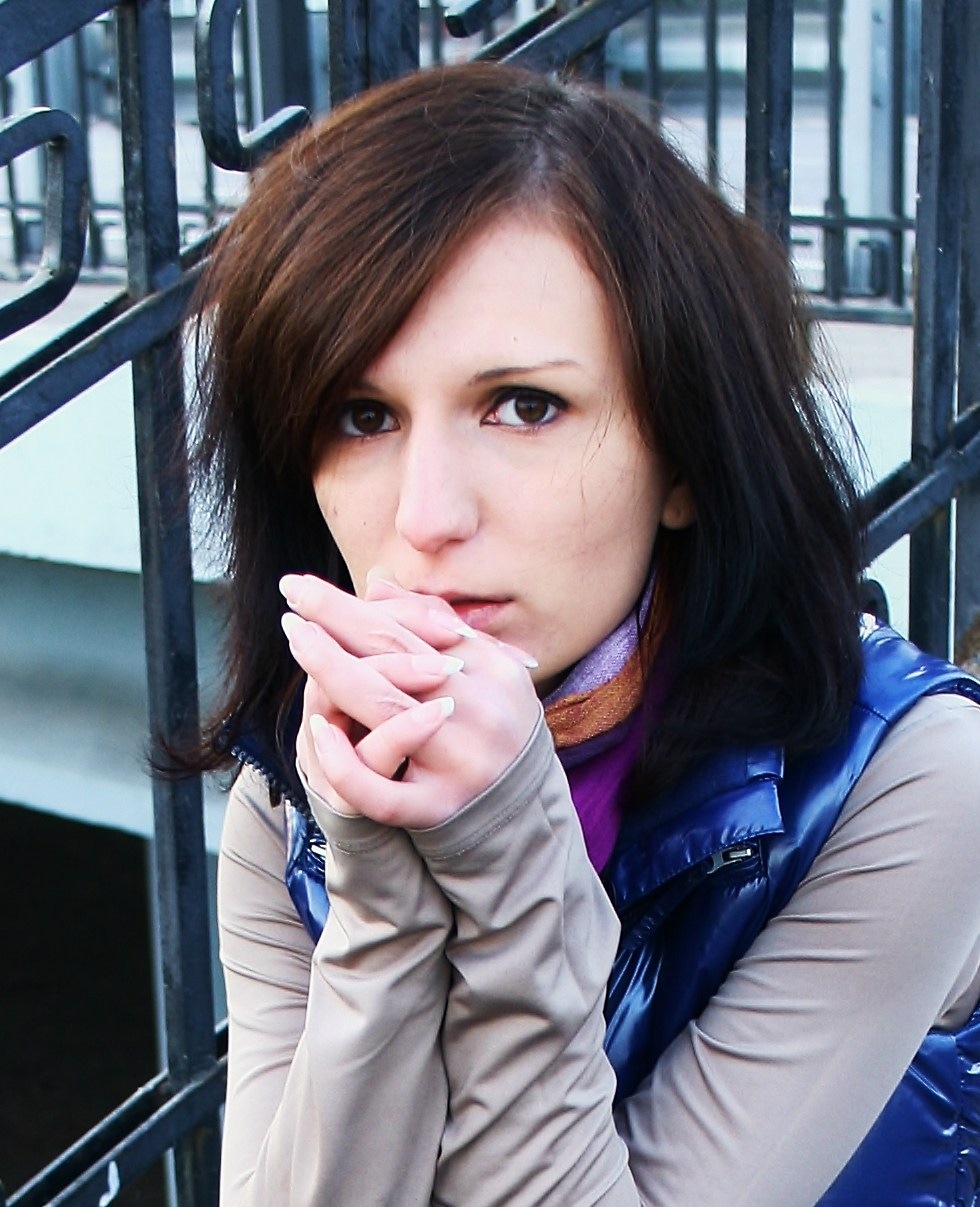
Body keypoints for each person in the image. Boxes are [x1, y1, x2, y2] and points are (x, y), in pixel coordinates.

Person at [184, 61, 980, 1206]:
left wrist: (505, 860)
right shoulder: (290, 808)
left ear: (684, 458)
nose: (425, 516)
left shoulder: (904, 780)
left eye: (524, 406)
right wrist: (382, 904)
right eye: (363, 416)